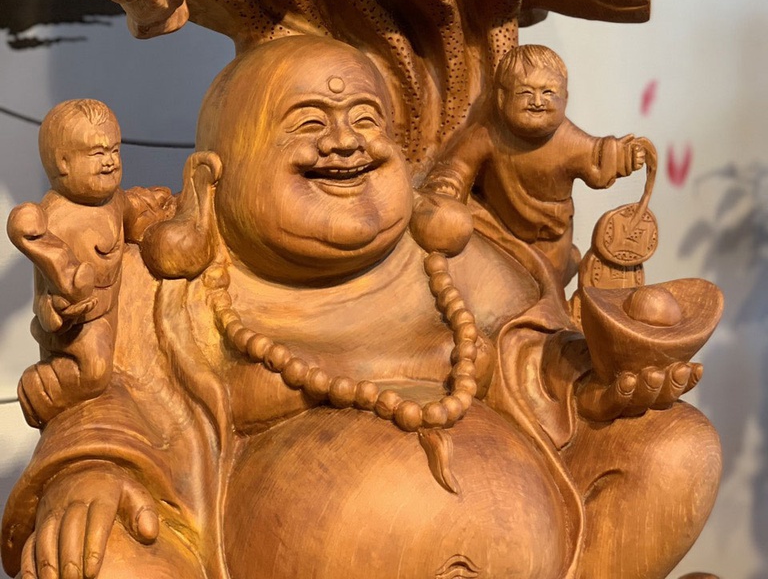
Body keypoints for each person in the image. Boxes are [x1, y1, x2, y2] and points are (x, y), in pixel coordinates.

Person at [2, 39, 719, 579]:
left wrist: (603, 388)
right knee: (85, 556)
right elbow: (108, 400)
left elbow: (536, 365)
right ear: (212, 175)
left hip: (543, 549)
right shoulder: (172, 292)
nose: (344, 141)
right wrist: (91, 469)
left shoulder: (456, 259)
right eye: (308, 122)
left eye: (365, 119)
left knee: (676, 447)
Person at [416, 45, 648, 282]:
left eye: (548, 92)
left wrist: (623, 156)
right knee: (484, 272)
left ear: (565, 99)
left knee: (547, 282)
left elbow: (598, 156)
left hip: (549, 239)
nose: (537, 101)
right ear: (502, 98)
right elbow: (458, 166)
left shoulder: (570, 140)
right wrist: (447, 187)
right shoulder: (489, 133)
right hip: (495, 226)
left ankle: (566, 267)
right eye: (525, 92)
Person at [7, 99, 171, 427]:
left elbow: (133, 217)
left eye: (115, 150)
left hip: (113, 309)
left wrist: (156, 213)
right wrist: (57, 313)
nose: (110, 161)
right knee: (95, 374)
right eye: (97, 153)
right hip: (79, 324)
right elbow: (43, 297)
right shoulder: (56, 220)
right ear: (63, 163)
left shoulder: (113, 200)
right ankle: (39, 389)